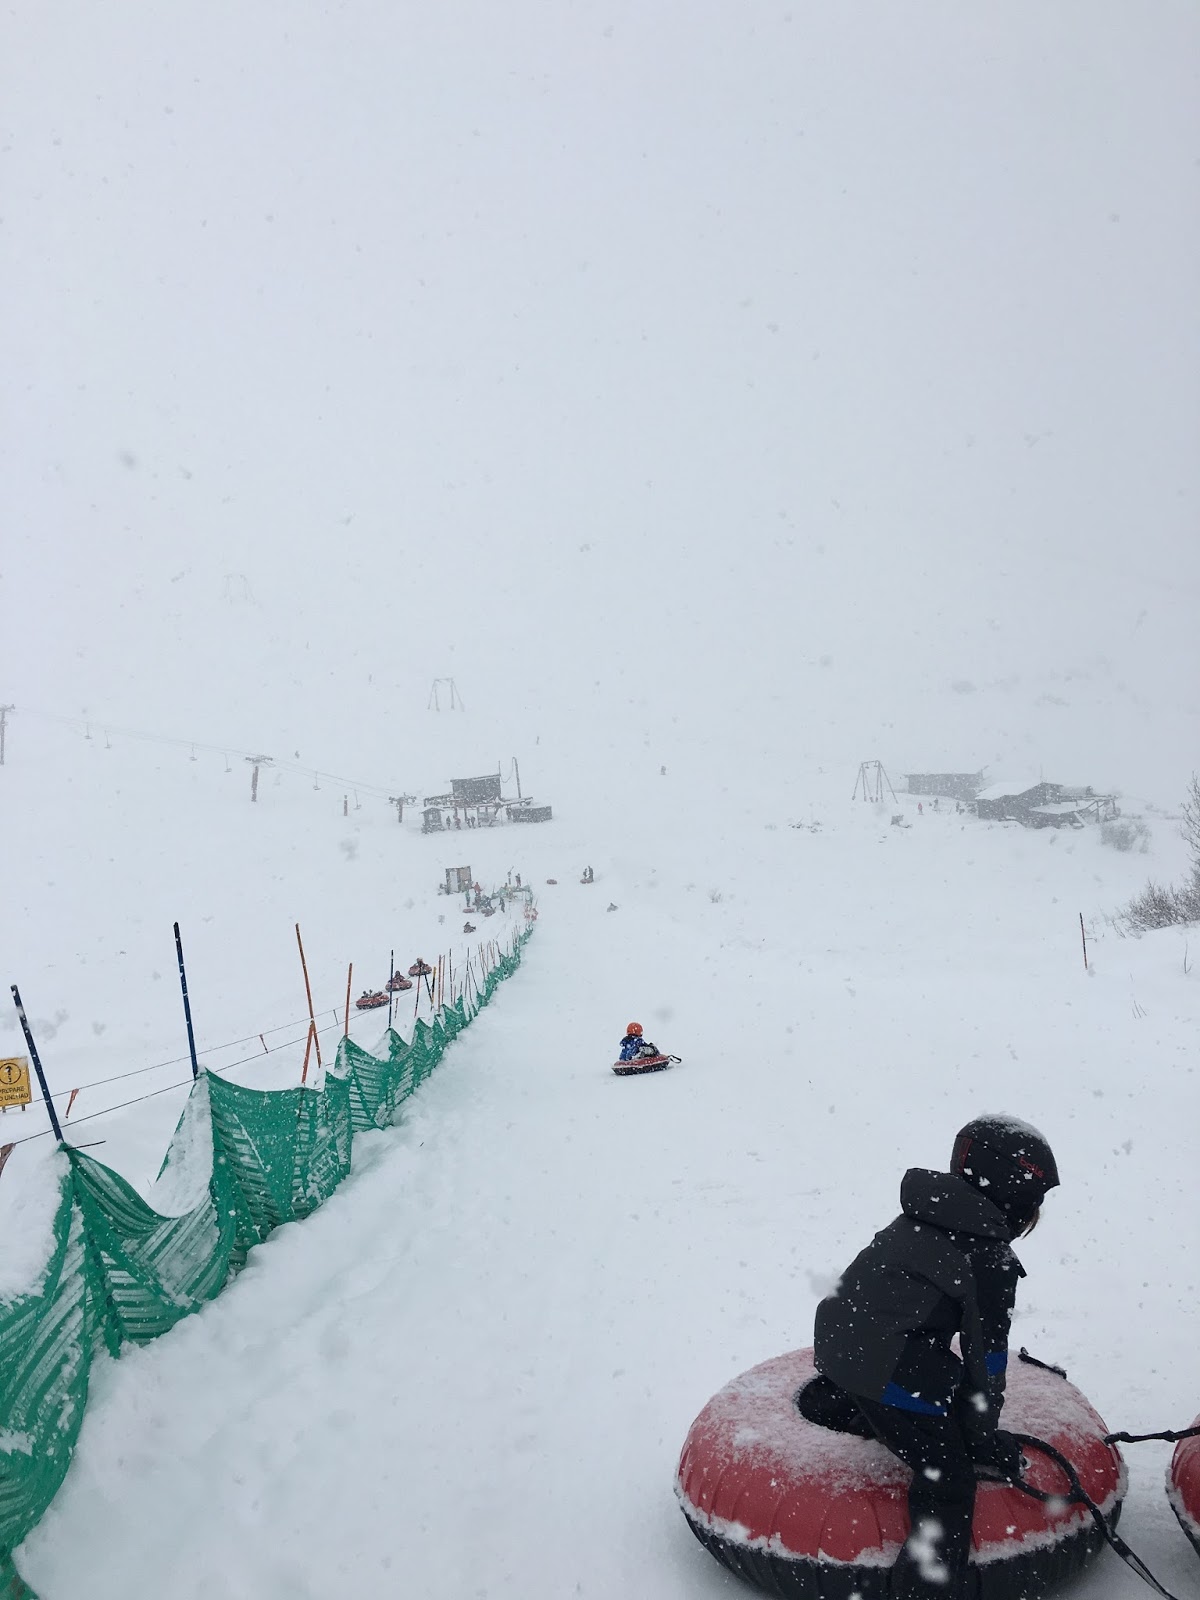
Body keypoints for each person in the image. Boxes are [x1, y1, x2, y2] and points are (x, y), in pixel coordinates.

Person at [800, 1116, 1060, 1599]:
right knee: (948, 1480)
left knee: (933, 1378)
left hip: (838, 1343)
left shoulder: (929, 1214)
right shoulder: (988, 1257)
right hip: (886, 1365)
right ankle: (923, 1590)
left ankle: (862, 1411)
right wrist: (979, 1438)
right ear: (1016, 1197)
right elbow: (988, 1362)